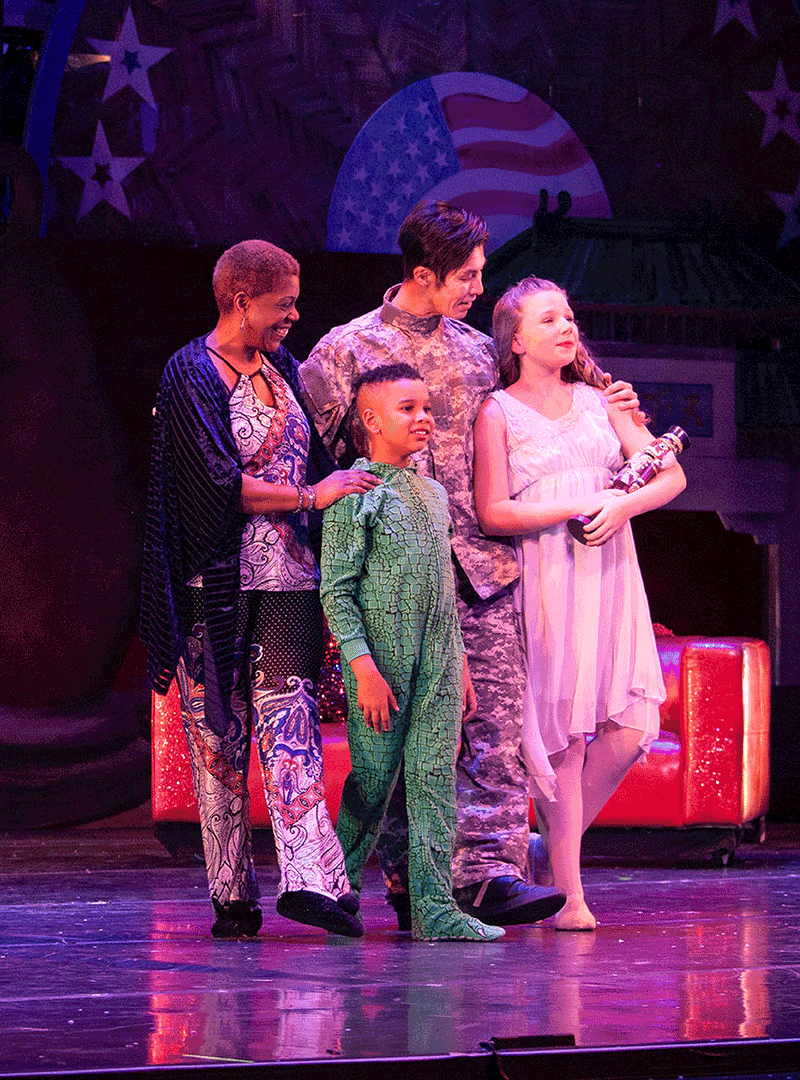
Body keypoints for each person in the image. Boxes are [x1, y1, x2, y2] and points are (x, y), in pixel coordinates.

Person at [301, 202, 575, 928]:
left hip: (481, 567)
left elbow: (544, 401)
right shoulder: (342, 352)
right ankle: (408, 879)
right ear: (423, 274)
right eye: (466, 277)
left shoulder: (482, 352)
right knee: (401, 738)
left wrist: (610, 405)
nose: (479, 289)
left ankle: (490, 875)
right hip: (394, 575)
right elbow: (313, 461)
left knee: (496, 730)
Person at [142, 239, 381, 939]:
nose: (294, 316)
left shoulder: (283, 369)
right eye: (284, 304)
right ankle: (231, 894)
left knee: (291, 721)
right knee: (218, 738)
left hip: (289, 583)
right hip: (214, 584)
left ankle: (311, 881)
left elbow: (319, 457)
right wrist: (309, 497)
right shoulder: (190, 373)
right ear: (241, 300)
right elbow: (215, 484)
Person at [473, 277, 686, 930]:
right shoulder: (497, 412)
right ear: (515, 340)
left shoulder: (602, 400)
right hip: (548, 575)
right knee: (564, 735)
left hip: (610, 572)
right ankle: (570, 895)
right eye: (548, 319)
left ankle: (549, 851)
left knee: (632, 732)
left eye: (568, 316)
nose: (566, 327)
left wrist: (621, 506)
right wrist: (579, 503)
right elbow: (493, 510)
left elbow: (670, 474)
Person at [320, 363, 503, 942]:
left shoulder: (434, 493)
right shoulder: (355, 493)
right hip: (381, 662)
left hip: (440, 662)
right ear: (371, 421)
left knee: (433, 781)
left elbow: (443, 588)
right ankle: (336, 892)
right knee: (374, 782)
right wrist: (364, 669)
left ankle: (434, 907)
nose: (424, 418)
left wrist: (461, 664)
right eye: (408, 409)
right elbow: (337, 591)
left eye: (427, 407)